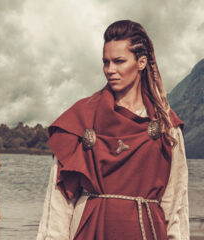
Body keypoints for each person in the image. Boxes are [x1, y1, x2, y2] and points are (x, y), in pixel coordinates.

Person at [37, 20, 189, 240]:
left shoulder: (166, 127)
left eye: (119, 61)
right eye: (106, 62)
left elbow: (175, 202)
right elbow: (59, 202)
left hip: (145, 232)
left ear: (141, 62)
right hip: (90, 230)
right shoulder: (81, 119)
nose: (110, 70)